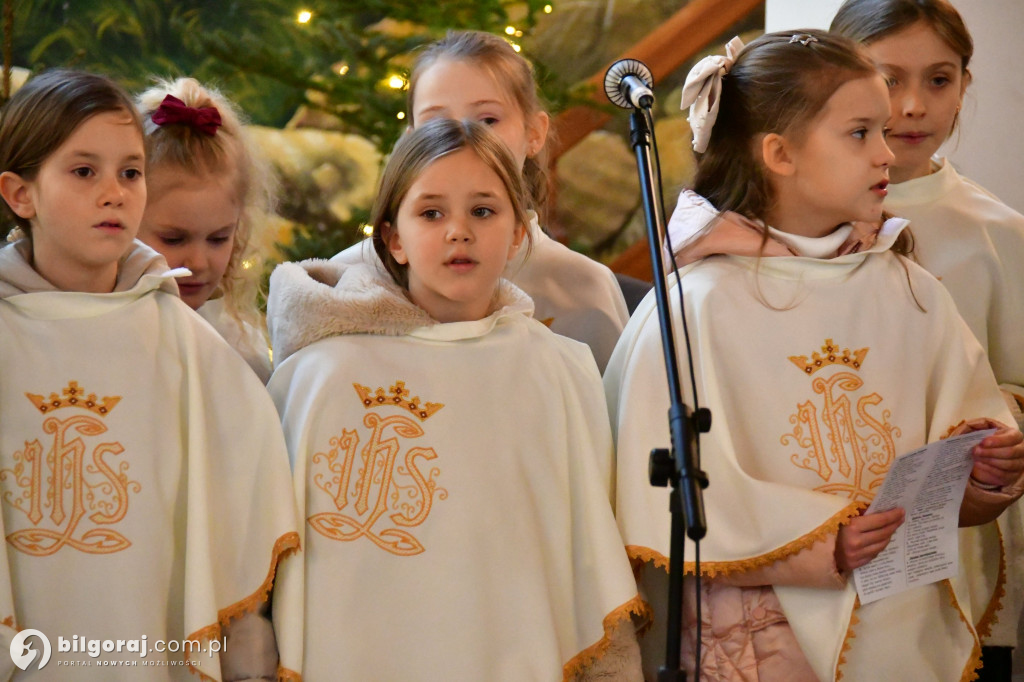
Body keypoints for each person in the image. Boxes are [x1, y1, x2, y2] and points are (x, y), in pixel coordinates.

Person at [605, 30, 1024, 681]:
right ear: (780, 153)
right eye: (859, 133)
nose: (886, 152)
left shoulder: (909, 288)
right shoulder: (699, 302)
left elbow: (950, 458)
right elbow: (649, 489)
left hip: (897, 617)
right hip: (761, 637)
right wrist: (821, 542)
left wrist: (985, 470)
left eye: (881, 130)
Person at [267, 117, 646, 680]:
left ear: (519, 232)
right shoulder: (322, 375)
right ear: (393, 237)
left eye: (484, 211)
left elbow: (585, 553)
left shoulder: (558, 369)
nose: (458, 231)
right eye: (431, 212)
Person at [0, 69, 299, 680]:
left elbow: (245, 504)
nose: (113, 192)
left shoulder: (190, 344)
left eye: (130, 172)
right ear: (19, 193)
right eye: (85, 171)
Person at [830, 3, 1024, 675]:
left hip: (946, 528)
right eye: (888, 79)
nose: (911, 106)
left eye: (939, 80)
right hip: (821, 526)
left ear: (965, 85)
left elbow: (1015, 378)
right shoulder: (791, 222)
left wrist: (999, 423)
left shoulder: (997, 233)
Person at [332, 29, 629, 373]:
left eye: (488, 120)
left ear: (534, 133)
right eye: (437, 123)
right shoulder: (348, 281)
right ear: (411, 139)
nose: (461, 139)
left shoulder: (580, 288)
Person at [136, 77, 275, 382]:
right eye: (174, 239)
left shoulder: (241, 350)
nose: (197, 263)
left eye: (218, 238)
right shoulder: (100, 335)